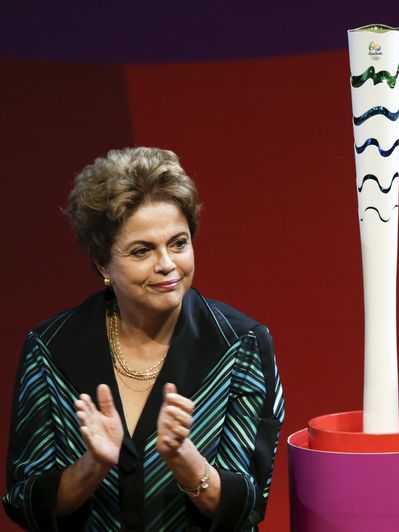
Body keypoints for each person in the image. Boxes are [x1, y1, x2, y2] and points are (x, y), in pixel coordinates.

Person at [3, 147, 285, 531]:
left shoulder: (241, 345)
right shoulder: (51, 348)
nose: (167, 264)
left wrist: (185, 459)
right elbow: (24, 500)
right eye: (142, 250)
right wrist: (92, 466)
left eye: (178, 243)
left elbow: (249, 504)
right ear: (103, 263)